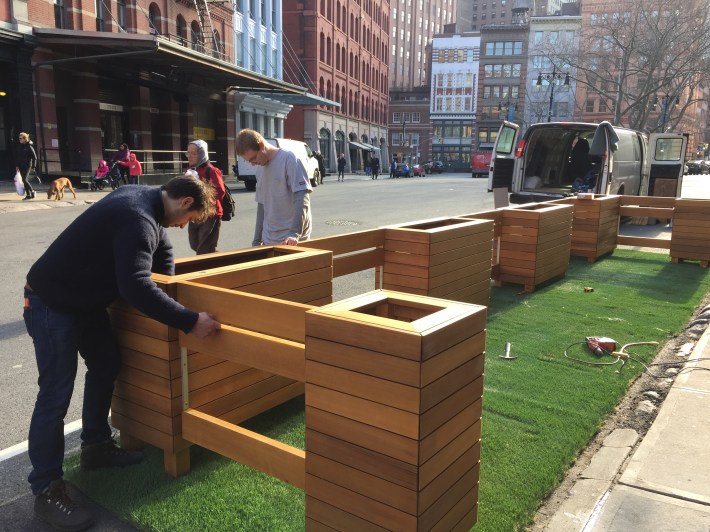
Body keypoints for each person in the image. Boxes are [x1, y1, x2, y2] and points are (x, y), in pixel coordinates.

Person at [23, 175, 221, 531]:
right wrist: (189, 320)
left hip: (83, 301)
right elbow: (135, 285)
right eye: (186, 221)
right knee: (55, 394)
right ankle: (46, 489)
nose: (180, 227)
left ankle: (95, 447)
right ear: (185, 203)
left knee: (106, 362)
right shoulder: (137, 218)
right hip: (50, 302)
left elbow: (162, 250)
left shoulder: (145, 200)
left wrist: (171, 287)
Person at [235, 128, 312, 246]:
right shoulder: (260, 170)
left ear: (261, 146)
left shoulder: (289, 159)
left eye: (253, 158)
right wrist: (257, 240)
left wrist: (294, 233)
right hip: (269, 239)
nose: (252, 163)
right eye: (249, 161)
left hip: (291, 240)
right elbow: (262, 205)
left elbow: (302, 198)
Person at [185, 139, 226, 255]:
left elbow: (220, 191)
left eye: (194, 153)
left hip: (210, 213)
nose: (190, 156)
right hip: (194, 213)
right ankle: (218, 258)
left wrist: (201, 188)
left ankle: (205, 270)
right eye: (188, 153)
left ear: (202, 153)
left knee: (204, 248)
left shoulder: (212, 171)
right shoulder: (188, 170)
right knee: (194, 243)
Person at [15, 132, 38, 200]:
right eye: (19, 138)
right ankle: (28, 195)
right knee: (23, 180)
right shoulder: (20, 146)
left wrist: (34, 166)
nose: (19, 139)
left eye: (20, 138)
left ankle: (32, 191)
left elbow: (35, 157)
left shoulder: (29, 146)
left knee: (25, 179)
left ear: (25, 139)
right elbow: (18, 156)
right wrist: (17, 165)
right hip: (21, 165)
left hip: (27, 165)